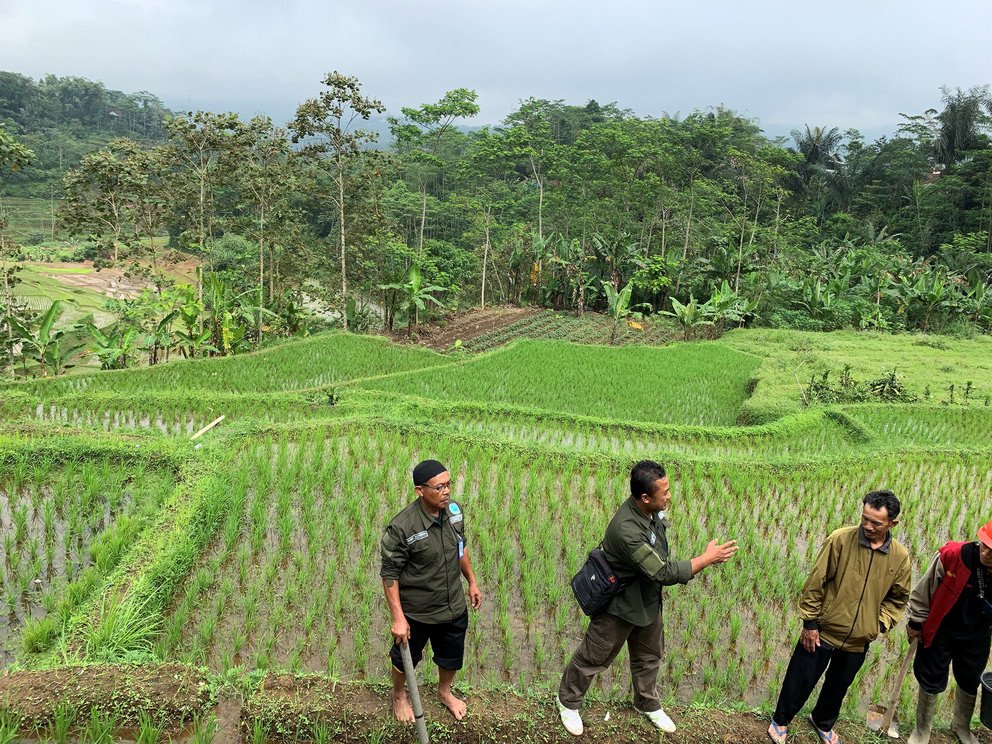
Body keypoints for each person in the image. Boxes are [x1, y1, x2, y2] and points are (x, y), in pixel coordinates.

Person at [556, 459, 738, 736]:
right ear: (644, 497)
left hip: (647, 602)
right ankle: (568, 702)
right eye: (664, 492)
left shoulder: (651, 512)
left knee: (649, 657)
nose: (669, 496)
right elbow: (662, 571)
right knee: (594, 656)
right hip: (619, 606)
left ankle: (646, 703)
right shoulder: (626, 530)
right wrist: (705, 559)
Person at [767, 490, 912, 744]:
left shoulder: (899, 558)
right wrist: (810, 623)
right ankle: (780, 721)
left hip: (859, 639)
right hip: (823, 630)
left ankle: (822, 721)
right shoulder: (841, 540)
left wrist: (878, 624)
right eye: (864, 518)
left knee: (838, 686)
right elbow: (816, 582)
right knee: (800, 678)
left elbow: (898, 598)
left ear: (892, 523)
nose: (867, 526)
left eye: (876, 523)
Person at [380, 459, 483, 723]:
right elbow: (389, 574)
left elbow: (461, 547)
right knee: (404, 659)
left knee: (451, 654)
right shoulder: (402, 527)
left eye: (448, 484)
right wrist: (398, 619)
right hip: (418, 612)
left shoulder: (455, 512)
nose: (446, 491)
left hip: (453, 605)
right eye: (439, 487)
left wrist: (471, 581)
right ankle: (400, 696)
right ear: (420, 490)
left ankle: (445, 692)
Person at [903, 519, 992, 744]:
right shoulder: (953, 555)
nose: (987, 552)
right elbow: (924, 589)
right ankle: (922, 730)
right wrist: (915, 623)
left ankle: (960, 726)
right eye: (985, 545)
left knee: (970, 679)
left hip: (977, 635)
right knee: (930, 677)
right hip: (941, 629)